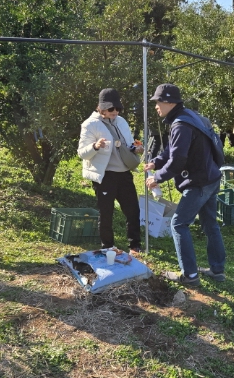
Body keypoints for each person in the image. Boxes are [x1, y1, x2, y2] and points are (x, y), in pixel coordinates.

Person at [144, 83, 226, 286]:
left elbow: (178, 160)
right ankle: (217, 270)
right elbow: (173, 150)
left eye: (158, 102)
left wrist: (157, 177)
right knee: (210, 224)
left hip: (199, 183)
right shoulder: (189, 116)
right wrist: (157, 162)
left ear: (169, 102)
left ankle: (189, 275)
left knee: (179, 224)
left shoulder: (180, 124)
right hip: (211, 178)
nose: (156, 106)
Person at [78, 88, 143, 253]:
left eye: (118, 108)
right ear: (101, 107)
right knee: (106, 213)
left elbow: (128, 144)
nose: (115, 111)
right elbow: (82, 153)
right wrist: (95, 146)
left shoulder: (121, 121)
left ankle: (135, 245)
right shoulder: (90, 124)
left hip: (124, 173)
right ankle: (107, 247)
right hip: (105, 175)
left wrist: (136, 148)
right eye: (111, 108)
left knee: (133, 211)